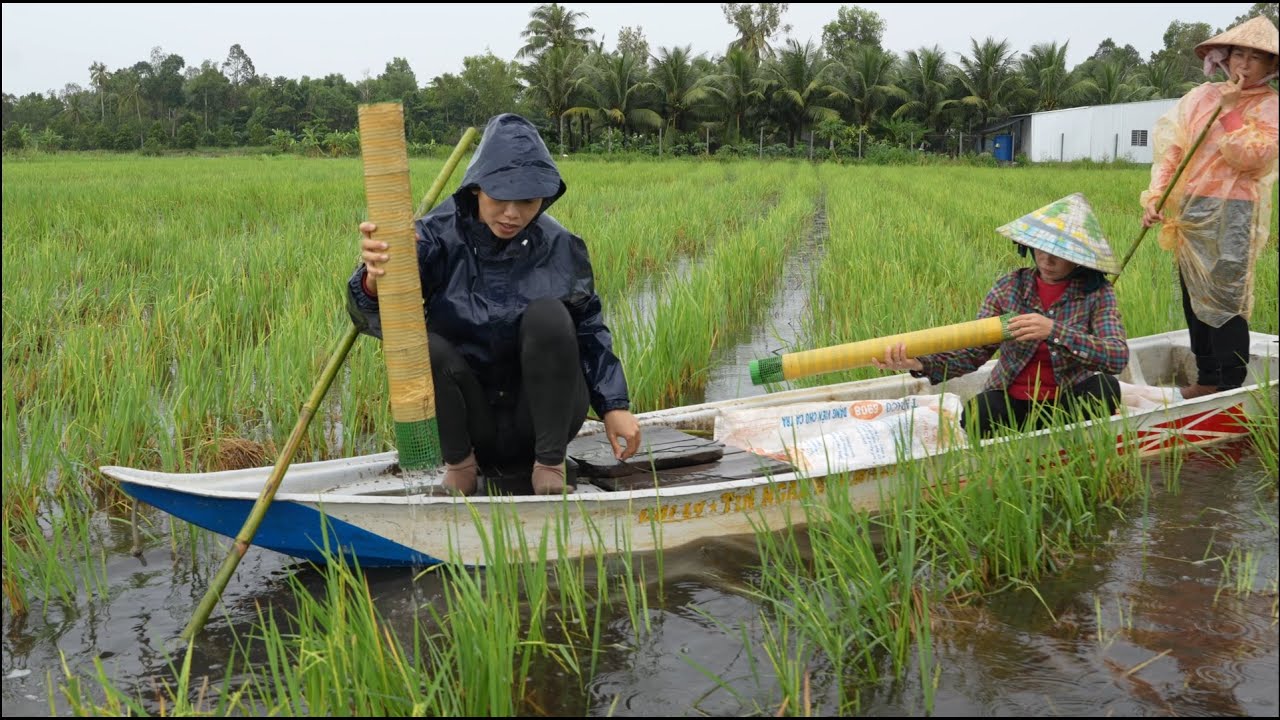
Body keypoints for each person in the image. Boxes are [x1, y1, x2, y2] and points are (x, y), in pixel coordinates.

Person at [348, 113, 641, 496]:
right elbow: (378, 320)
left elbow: (589, 330)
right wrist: (374, 279)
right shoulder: (431, 238)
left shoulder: (561, 246)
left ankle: (549, 468)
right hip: (468, 423)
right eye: (501, 198)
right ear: (476, 188)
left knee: (551, 317)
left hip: (543, 418)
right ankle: (461, 467)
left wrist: (613, 405)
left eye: (528, 201)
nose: (512, 214)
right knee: (424, 344)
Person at [872, 193, 1129, 438]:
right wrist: (919, 363)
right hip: (1013, 403)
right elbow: (972, 352)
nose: (1047, 259)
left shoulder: (1097, 293)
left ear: (1078, 259)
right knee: (977, 413)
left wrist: (1054, 331)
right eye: (1041, 247)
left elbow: (1116, 356)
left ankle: (1069, 443)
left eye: (1060, 253)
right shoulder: (1010, 288)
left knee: (1105, 388)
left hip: (1067, 404)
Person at [1141, 15, 1279, 400]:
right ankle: (1205, 376)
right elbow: (1173, 152)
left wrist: (1232, 111)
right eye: (1238, 55)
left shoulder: (1270, 107)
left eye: (1256, 58)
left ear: (1272, 67)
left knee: (1225, 296)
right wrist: (1156, 198)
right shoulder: (1202, 96)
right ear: (1225, 58)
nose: (1244, 65)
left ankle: (1229, 384)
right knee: (1193, 293)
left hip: (1233, 211)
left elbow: (1253, 157)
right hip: (1192, 208)